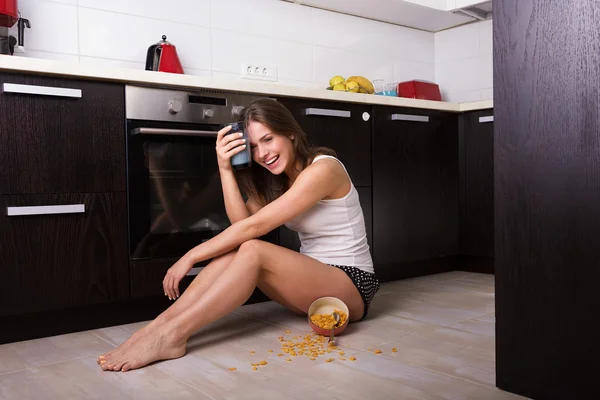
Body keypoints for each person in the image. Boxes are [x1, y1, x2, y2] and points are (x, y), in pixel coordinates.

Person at [97, 98, 380, 372]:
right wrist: (224, 168)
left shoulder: (324, 168)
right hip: (311, 288)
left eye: (268, 140)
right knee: (239, 249)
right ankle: (158, 326)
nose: (262, 154)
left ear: (291, 134)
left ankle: (172, 335)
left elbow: (254, 230)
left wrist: (190, 255)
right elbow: (241, 226)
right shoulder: (275, 181)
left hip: (352, 285)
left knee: (254, 249)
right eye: (254, 147)